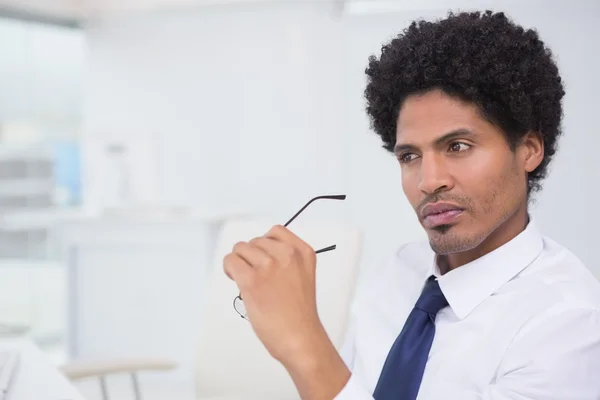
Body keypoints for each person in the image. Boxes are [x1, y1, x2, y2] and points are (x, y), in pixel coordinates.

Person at [223, 10, 600, 400]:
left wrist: (303, 343)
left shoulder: (568, 326)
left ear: (529, 150)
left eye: (458, 146)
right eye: (409, 156)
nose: (429, 180)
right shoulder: (396, 274)